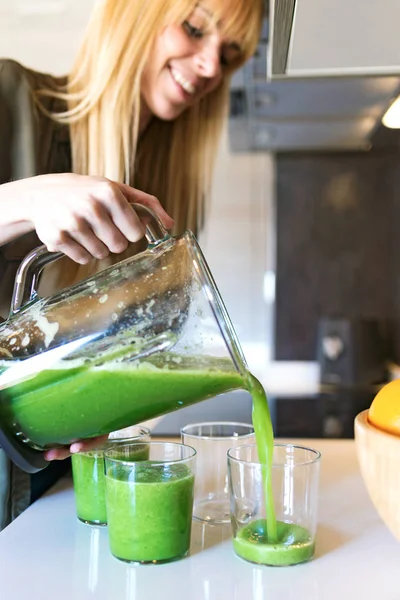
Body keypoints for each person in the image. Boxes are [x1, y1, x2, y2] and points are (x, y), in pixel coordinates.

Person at [0, 0, 263, 529]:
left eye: (230, 53)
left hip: (56, 477)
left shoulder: (167, 196)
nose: (212, 67)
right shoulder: (11, 99)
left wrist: (108, 411)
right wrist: (27, 200)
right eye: (195, 28)